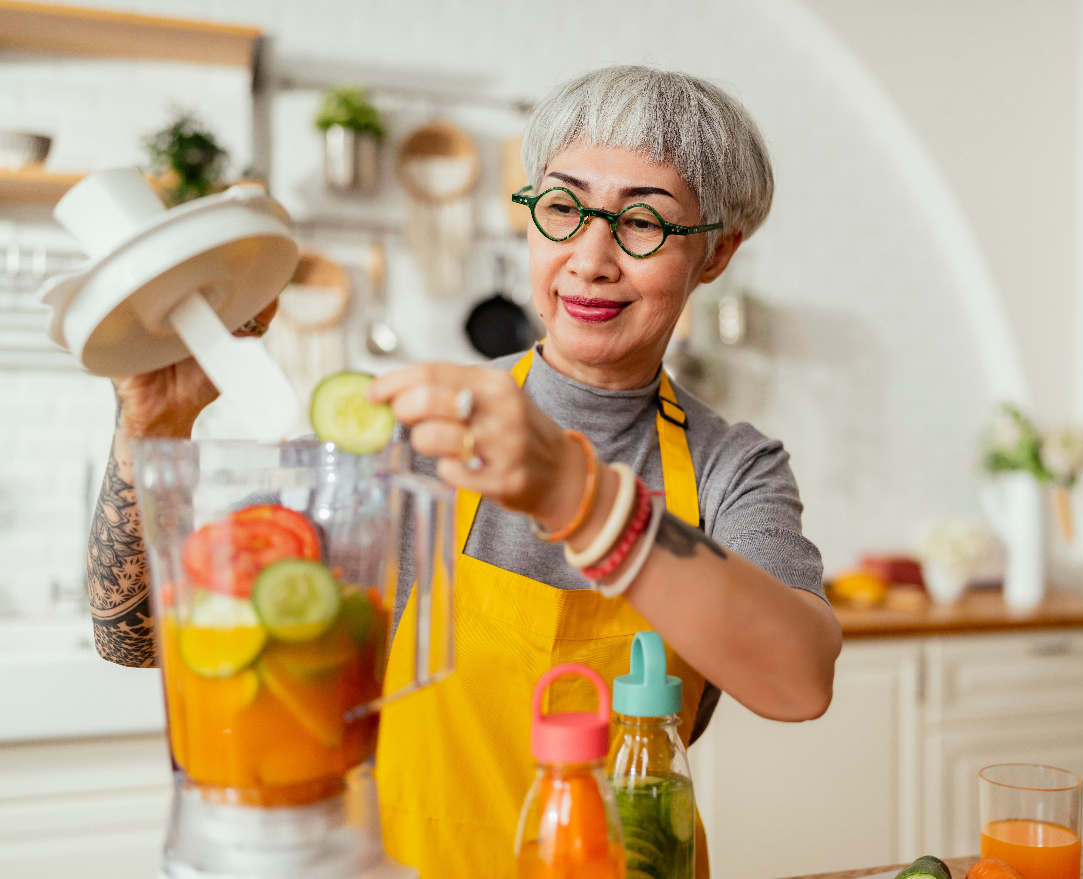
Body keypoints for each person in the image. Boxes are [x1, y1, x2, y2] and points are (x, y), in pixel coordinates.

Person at [86, 66, 841, 878]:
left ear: (717, 252)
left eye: (645, 223)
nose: (590, 259)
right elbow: (133, 636)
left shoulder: (734, 467)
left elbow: (798, 679)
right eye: (562, 208)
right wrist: (152, 426)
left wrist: (581, 500)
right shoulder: (416, 426)